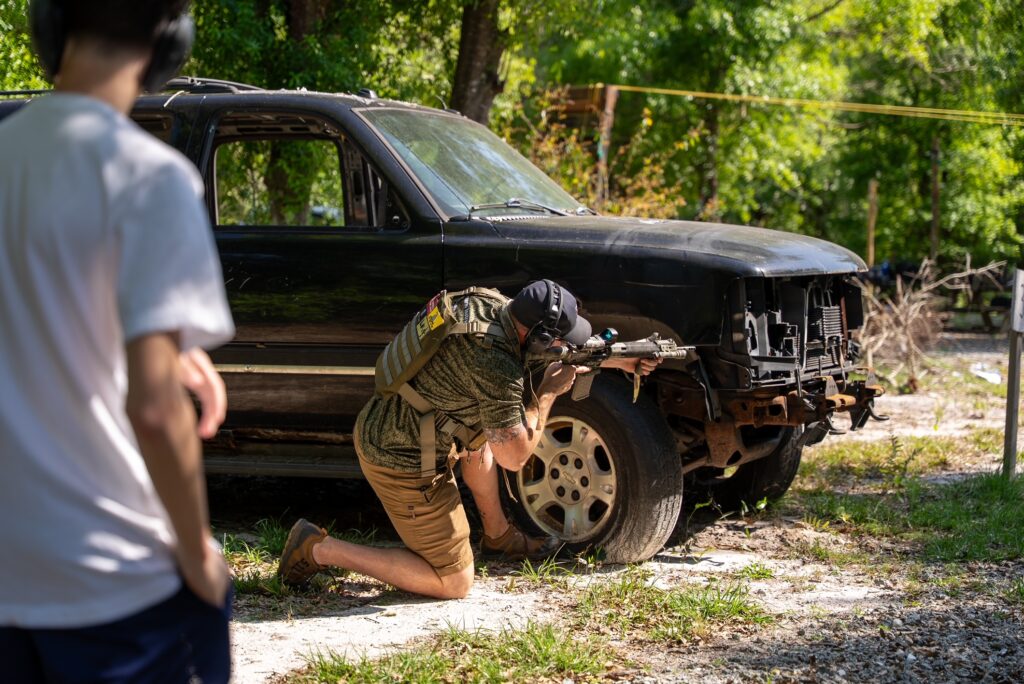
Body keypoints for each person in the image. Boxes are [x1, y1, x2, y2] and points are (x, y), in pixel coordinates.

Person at [0, 1, 236, 681]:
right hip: (113, 589)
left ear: (49, 32)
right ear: (170, 43)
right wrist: (198, 556)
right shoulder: (149, 177)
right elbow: (158, 412)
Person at [278, 280, 659, 600]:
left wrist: (619, 359)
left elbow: (550, 353)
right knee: (454, 582)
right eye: (558, 339)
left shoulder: (492, 307)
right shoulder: (494, 365)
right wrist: (548, 394)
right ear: (537, 336)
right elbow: (514, 456)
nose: (562, 345)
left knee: (482, 439)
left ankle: (498, 537)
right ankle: (319, 548)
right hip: (401, 458)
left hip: (408, 421)